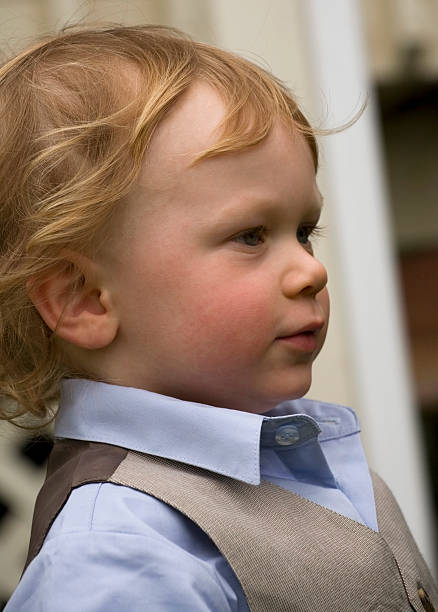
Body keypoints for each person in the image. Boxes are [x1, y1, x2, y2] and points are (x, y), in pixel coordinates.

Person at [1, 24, 436, 612]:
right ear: (86, 300)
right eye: (250, 235)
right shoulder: (118, 555)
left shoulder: (303, 463)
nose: (310, 271)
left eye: (303, 232)